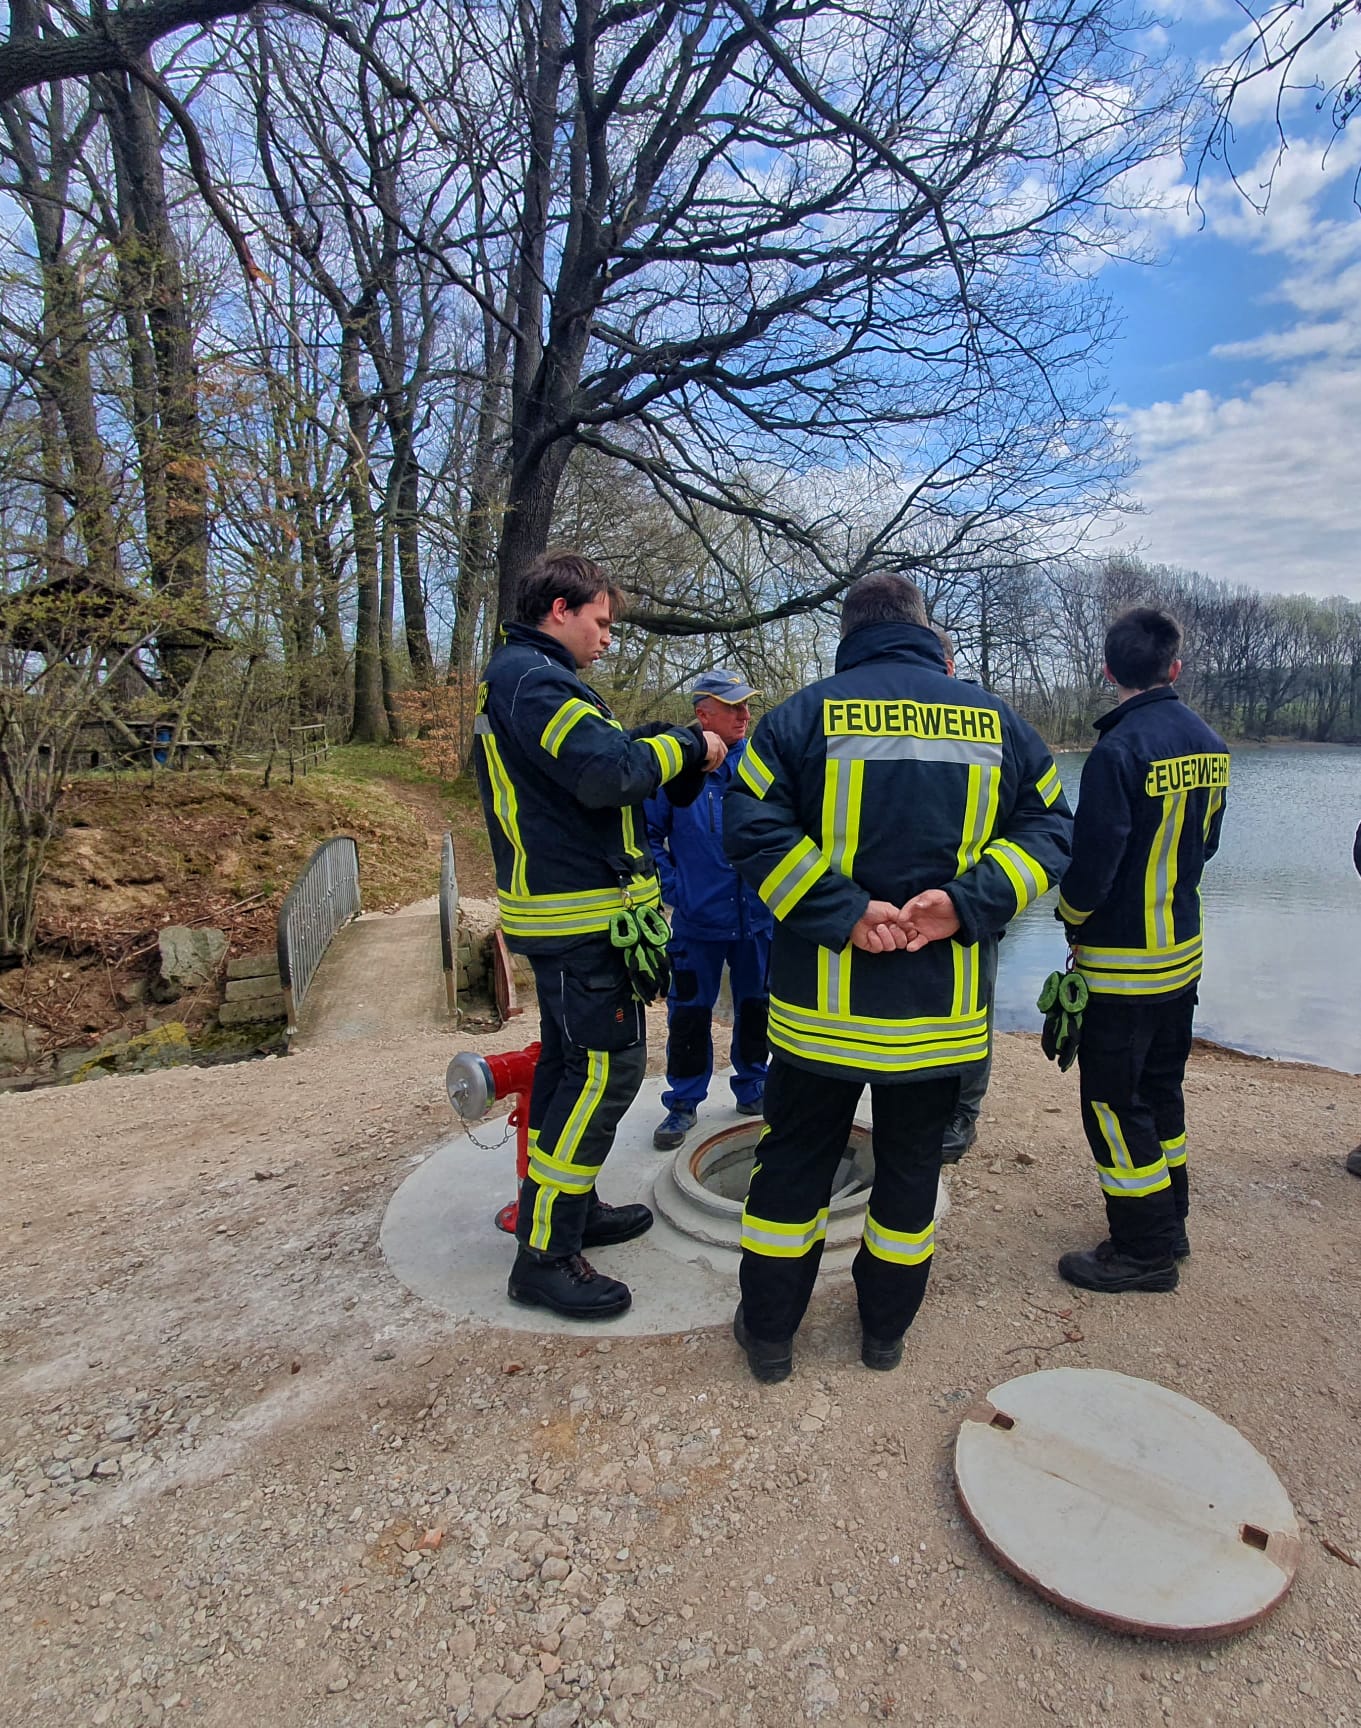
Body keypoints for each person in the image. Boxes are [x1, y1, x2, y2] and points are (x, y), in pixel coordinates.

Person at [722, 573, 1072, 1381]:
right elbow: (1053, 826)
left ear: (849, 633)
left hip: (818, 1016)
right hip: (938, 1016)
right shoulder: (998, 724)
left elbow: (746, 825)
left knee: (792, 1171)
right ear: (924, 629)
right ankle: (882, 1335)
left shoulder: (800, 717)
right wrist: (964, 903)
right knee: (910, 1176)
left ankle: (769, 1339)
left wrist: (842, 910)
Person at [471, 551, 727, 1320]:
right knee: (598, 1077)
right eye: (601, 622)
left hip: (569, 921)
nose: (608, 638)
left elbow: (593, 767)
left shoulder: (529, 680)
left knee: (564, 1070)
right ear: (560, 609)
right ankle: (546, 1254)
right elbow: (604, 774)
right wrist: (687, 746)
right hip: (579, 926)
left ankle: (568, 1210)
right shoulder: (534, 680)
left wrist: (650, 743)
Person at [1055, 606, 1229, 1294]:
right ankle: (1171, 1216)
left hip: (1121, 965)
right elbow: (1206, 845)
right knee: (1159, 1088)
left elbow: (1091, 868)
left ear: (1107, 670)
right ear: (1173, 669)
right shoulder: (1208, 743)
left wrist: (1070, 920)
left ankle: (1142, 1250)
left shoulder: (1117, 751)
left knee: (1109, 1101)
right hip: (1181, 951)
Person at [646, 670, 774, 1151]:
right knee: (690, 1014)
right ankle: (682, 1103)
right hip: (697, 922)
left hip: (758, 918)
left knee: (757, 1007)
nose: (745, 714)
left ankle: (753, 1087)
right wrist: (676, 888)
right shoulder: (676, 768)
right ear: (704, 715)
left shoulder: (762, 767)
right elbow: (647, 837)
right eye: (733, 706)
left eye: (747, 705)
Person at [931, 623, 999, 1166]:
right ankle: (924, 1104)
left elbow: (1036, 825)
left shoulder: (988, 724)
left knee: (972, 1013)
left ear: (949, 667)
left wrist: (975, 899)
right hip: (903, 912)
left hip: (971, 905)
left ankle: (963, 1111)